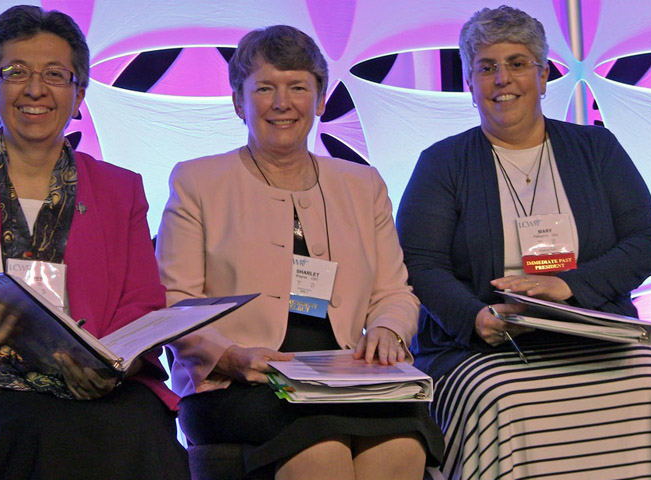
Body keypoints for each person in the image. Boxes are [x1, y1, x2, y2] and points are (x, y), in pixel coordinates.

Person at [396, 5, 651, 479]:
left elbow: (644, 242)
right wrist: (477, 319)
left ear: (544, 75)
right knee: (500, 398)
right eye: (486, 67)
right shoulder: (442, 163)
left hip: (596, 333)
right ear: (470, 84)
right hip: (485, 346)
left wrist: (568, 286)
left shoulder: (597, 149)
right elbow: (421, 265)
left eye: (517, 63)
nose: (501, 79)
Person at [0, 6, 189, 479]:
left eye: (55, 75)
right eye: (16, 72)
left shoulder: (120, 189)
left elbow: (142, 304)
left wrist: (109, 364)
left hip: (97, 377)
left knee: (143, 424)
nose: (35, 89)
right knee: (38, 423)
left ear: (79, 91)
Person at [156, 25, 443, 480]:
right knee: (320, 453)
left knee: (403, 448)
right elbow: (176, 307)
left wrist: (389, 329)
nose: (282, 103)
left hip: (348, 376)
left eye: (297, 88)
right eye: (265, 88)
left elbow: (395, 292)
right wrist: (232, 356)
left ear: (321, 99)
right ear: (238, 101)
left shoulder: (361, 184)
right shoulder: (198, 182)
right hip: (240, 382)